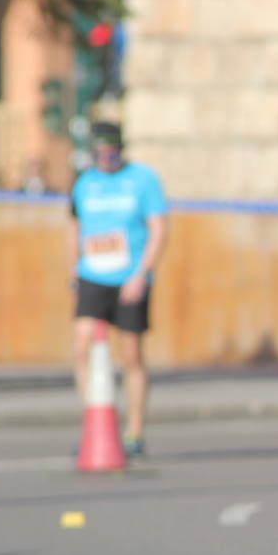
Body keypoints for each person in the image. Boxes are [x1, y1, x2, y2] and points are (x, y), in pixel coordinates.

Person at [68, 121, 167, 457]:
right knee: (81, 345)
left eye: (110, 152)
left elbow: (158, 228)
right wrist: (74, 268)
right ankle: (96, 419)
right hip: (93, 275)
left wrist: (142, 274)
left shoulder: (143, 179)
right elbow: (75, 225)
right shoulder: (85, 183)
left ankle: (134, 430)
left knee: (131, 354)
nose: (104, 159)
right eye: (98, 153)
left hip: (130, 276)